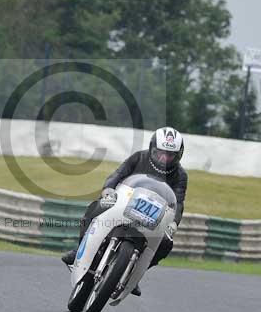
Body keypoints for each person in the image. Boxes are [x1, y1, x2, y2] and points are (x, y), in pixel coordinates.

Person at [60, 127, 189, 296]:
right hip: (125, 200)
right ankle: (79, 251)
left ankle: (134, 274)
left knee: (166, 243)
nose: (164, 158)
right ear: (152, 148)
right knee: (94, 208)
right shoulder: (139, 157)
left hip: (154, 215)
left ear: (178, 155)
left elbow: (178, 203)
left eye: (170, 155)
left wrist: (173, 223)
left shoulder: (180, 175)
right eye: (160, 153)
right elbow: (118, 174)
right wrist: (108, 189)